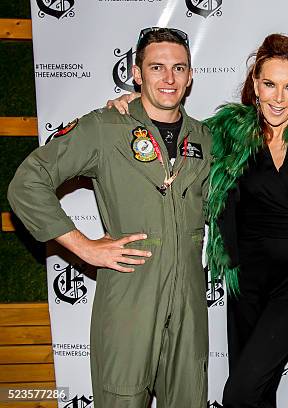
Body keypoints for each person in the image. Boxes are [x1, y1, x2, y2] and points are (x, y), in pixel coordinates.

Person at [107, 33, 288, 407]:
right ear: (255, 84)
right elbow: (172, 129)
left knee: (238, 393)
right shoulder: (224, 133)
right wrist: (132, 105)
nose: (278, 98)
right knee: (260, 392)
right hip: (242, 279)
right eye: (269, 84)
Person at [8, 28, 211, 407]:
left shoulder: (205, 138)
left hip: (188, 304)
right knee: (121, 398)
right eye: (156, 67)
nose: (168, 78)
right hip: (129, 297)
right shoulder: (105, 127)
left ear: (190, 75)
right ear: (137, 73)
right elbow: (27, 183)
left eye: (178, 68)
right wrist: (82, 246)